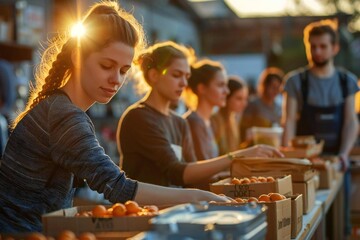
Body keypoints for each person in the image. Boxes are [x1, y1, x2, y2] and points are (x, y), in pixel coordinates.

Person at [0, 2, 233, 233]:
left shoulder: (62, 108)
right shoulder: (64, 115)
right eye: (106, 65)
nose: (116, 80)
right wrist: (196, 196)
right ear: (77, 57)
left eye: (123, 70)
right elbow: (118, 187)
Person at [117, 41, 284, 189]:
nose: (184, 83)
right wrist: (237, 156)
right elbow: (178, 173)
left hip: (178, 212)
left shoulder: (178, 122)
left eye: (186, 76)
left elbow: (194, 174)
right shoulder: (138, 117)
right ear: (154, 75)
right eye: (176, 75)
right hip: (146, 213)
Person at [282, 19, 359, 237]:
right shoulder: (295, 81)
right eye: (312, 46)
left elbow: (351, 122)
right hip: (305, 165)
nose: (317, 51)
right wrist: (288, 160)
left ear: (335, 48)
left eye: (323, 46)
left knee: (339, 224)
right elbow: (289, 120)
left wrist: (344, 154)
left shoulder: (347, 82)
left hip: (336, 162)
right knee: (308, 223)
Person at [183, 59, 228, 159]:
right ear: (202, 88)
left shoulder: (209, 121)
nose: (226, 91)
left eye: (226, 85)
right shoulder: (194, 122)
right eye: (220, 85)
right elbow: (202, 166)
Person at [240, 67, 284, 142]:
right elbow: (243, 129)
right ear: (265, 86)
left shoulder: (278, 107)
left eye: (278, 88)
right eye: (273, 87)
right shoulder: (253, 104)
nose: (276, 91)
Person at [211, 76, 248, 155]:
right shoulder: (214, 120)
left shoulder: (233, 119)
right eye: (239, 98)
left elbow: (233, 151)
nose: (244, 104)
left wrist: (247, 141)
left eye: (245, 99)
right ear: (227, 97)